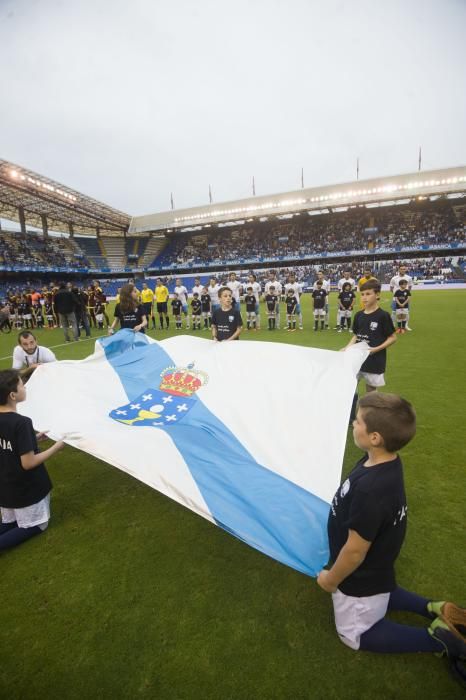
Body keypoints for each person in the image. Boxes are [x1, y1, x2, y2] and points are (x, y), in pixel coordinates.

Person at [317, 392, 466, 661]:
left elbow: (354, 552)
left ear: (375, 437)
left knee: (354, 636)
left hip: (358, 579)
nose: (353, 423)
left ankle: (438, 638)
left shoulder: (371, 492)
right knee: (382, 591)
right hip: (377, 570)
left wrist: (331, 579)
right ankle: (434, 607)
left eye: (358, 421)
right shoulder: (380, 461)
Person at [0, 369, 65, 552]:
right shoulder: (21, 422)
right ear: (13, 395)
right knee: (37, 524)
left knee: (10, 521)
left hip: (5, 489)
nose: (25, 387)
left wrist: (32, 439)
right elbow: (28, 463)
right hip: (24, 489)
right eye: (22, 385)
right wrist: (56, 447)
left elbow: (6, 444)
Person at [343, 279, 397, 394]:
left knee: (371, 391)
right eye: (362, 294)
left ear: (377, 295)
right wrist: (347, 348)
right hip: (357, 359)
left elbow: (393, 337)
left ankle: (370, 411)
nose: (364, 297)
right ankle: (353, 411)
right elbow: (356, 335)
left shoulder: (383, 316)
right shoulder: (358, 315)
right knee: (350, 387)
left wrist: (375, 349)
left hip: (374, 361)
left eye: (368, 294)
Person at [390, 264, 413, 330]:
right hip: (396, 299)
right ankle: (393, 325)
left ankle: (406, 325)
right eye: (402, 269)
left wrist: (405, 294)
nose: (403, 270)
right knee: (394, 312)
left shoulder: (409, 278)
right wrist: (397, 294)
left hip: (405, 299)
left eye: (404, 269)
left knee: (406, 312)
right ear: (399, 269)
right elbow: (391, 288)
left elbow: (410, 287)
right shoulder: (394, 278)